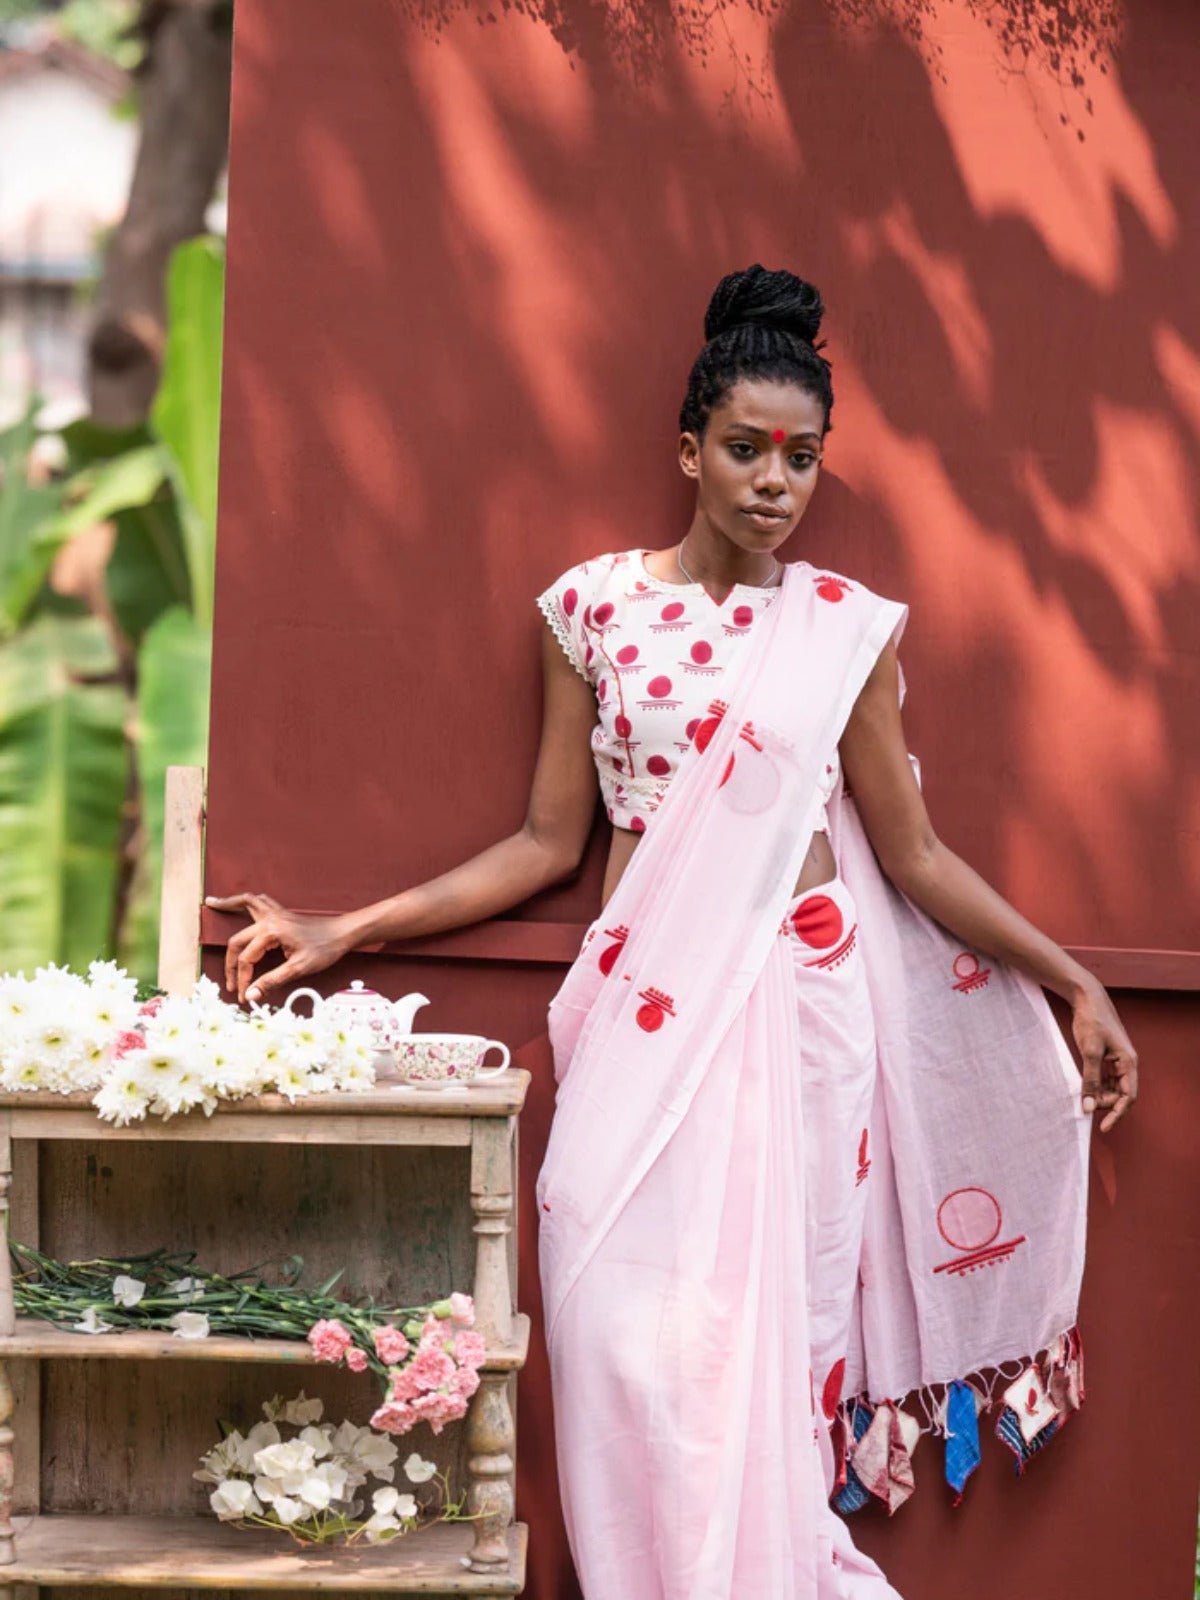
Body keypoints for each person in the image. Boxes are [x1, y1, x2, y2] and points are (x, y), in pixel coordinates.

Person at [208, 265, 1137, 1599]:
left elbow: (916, 854)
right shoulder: (591, 610)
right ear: (689, 451)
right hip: (647, 1006)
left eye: (803, 459)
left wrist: (1073, 982)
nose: (776, 482)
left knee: (766, 1331)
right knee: (615, 1316)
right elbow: (545, 843)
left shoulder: (839, 634)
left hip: (801, 1004)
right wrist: (346, 926)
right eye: (749, 451)